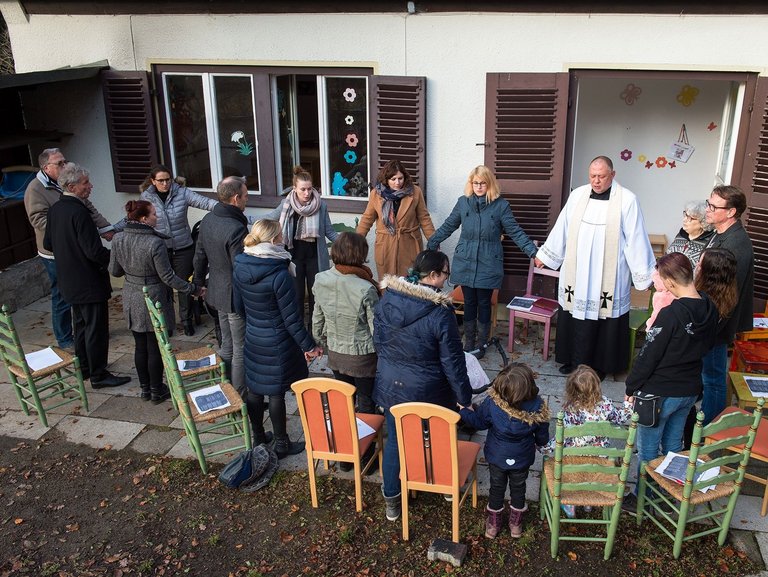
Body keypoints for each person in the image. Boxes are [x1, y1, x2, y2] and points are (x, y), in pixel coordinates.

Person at [373, 250, 472, 523]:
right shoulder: (441, 313)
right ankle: (446, 489)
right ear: (432, 276)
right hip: (430, 391)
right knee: (439, 436)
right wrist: (463, 397)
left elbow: (378, 343)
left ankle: (392, 500)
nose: (447, 282)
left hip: (392, 386)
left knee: (394, 440)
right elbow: (453, 361)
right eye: (446, 275)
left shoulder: (387, 299)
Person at [535, 156, 655, 378]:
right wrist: (546, 254)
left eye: (602, 176)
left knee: (603, 316)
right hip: (578, 272)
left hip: (608, 275)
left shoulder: (627, 200)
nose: (596, 181)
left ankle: (600, 365)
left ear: (613, 175)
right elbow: (563, 227)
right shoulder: (578, 195)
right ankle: (573, 361)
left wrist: (643, 275)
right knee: (575, 313)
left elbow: (636, 238)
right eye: (592, 176)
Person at [623, 252, 718, 511]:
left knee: (649, 450)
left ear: (671, 281)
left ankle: (645, 499)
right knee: (675, 446)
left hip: (659, 393)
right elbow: (709, 345)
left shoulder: (672, 313)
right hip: (689, 390)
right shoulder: (709, 306)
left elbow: (649, 355)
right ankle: (671, 495)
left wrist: (631, 386)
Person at [232, 219, 323, 458]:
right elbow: (292, 319)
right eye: (281, 235)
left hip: (253, 336)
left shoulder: (240, 264)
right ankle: (282, 444)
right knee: (275, 392)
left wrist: (256, 322)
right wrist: (309, 346)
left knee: (254, 389)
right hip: (277, 342)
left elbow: (238, 306)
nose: (284, 238)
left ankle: (259, 436)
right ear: (273, 241)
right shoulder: (279, 273)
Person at [427, 165, 537, 357]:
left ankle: (482, 343)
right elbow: (448, 225)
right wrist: (433, 241)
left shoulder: (501, 206)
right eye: (475, 183)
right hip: (466, 259)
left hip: (489, 261)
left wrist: (533, 252)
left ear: (489, 184)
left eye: (482, 183)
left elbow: (515, 231)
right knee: (469, 302)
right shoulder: (463, 203)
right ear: (471, 184)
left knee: (484, 303)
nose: (478, 186)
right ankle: (469, 341)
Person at [43, 163, 130, 389]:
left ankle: (84, 369)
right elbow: (94, 251)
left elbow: (48, 243)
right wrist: (119, 259)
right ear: (72, 186)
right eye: (85, 183)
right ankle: (99, 375)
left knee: (81, 327)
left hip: (69, 281)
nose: (90, 187)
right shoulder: (79, 212)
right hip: (88, 282)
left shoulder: (55, 209)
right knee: (96, 329)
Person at [110, 200, 204, 403]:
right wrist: (193, 289)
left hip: (131, 294)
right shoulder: (155, 243)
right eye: (153, 214)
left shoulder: (118, 239)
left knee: (140, 344)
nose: (157, 217)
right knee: (154, 345)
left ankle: (146, 389)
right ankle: (156, 390)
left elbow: (115, 271)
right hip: (153, 296)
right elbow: (168, 277)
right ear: (143, 219)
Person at [24, 148, 115, 350]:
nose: (64, 165)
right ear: (46, 168)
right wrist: (67, 233)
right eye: (60, 163)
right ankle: (65, 339)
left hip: (74, 248)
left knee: (80, 306)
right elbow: (38, 220)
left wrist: (108, 229)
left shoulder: (68, 188)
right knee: (63, 296)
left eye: (65, 161)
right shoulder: (35, 189)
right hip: (55, 253)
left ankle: (86, 341)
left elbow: (91, 210)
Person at [459, 363, 549, 539]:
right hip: (522, 457)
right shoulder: (538, 406)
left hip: (497, 456)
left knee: (497, 487)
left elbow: (479, 422)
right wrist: (540, 443)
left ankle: (493, 524)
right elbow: (542, 435)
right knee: (518, 487)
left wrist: (464, 411)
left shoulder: (493, 403)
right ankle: (515, 525)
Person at [542, 365, 632, 518]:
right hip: (599, 460)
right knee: (591, 465)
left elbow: (561, 438)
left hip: (573, 460)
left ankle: (570, 501)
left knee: (564, 463)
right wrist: (628, 404)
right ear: (597, 386)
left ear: (571, 389)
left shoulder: (569, 410)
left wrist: (546, 448)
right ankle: (588, 503)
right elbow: (622, 417)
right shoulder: (606, 405)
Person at [138, 165, 218, 336]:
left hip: (183, 248)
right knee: (163, 287)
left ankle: (187, 320)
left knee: (184, 285)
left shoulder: (181, 192)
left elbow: (204, 202)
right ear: (153, 181)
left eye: (168, 179)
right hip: (160, 249)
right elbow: (136, 217)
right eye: (161, 180)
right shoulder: (146, 197)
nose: (165, 183)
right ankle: (166, 323)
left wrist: (225, 208)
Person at [700, 185, 755, 425]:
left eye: (714, 206)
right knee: (708, 376)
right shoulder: (720, 233)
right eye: (708, 203)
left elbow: (726, 297)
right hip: (709, 317)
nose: (708, 210)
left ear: (731, 212)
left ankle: (710, 429)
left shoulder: (736, 246)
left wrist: (706, 326)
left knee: (713, 378)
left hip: (716, 323)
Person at [193, 176, 249, 395]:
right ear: (235, 198)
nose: (246, 200)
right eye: (245, 196)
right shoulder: (236, 228)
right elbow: (241, 268)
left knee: (226, 344)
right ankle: (239, 396)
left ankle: (224, 389)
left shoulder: (207, 220)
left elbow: (199, 257)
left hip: (215, 291)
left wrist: (198, 284)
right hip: (233, 296)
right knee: (240, 349)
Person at [312, 232, 379, 415]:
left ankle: (346, 437)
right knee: (366, 401)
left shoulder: (321, 279)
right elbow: (376, 329)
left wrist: (321, 341)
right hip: (363, 357)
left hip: (335, 352)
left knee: (344, 398)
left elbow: (317, 317)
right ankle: (368, 441)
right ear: (360, 255)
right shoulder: (366, 287)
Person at [264, 166, 338, 330]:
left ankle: (314, 329)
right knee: (295, 296)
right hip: (293, 258)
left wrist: (347, 244)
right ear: (295, 189)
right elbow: (268, 219)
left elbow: (329, 231)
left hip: (314, 257)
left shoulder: (321, 205)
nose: (307, 193)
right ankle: (297, 331)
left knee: (316, 295)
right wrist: (243, 220)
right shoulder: (286, 204)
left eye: (309, 189)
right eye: (303, 189)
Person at [356, 159, 435, 280]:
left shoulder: (415, 192)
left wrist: (434, 241)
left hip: (409, 244)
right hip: (385, 245)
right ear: (386, 180)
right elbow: (367, 218)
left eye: (400, 178)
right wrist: (356, 242)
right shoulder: (376, 194)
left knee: (410, 285)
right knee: (387, 285)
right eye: (393, 179)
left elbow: (424, 218)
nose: (397, 182)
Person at [695, 246, 741, 425]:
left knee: (713, 382)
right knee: (714, 381)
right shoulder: (725, 290)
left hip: (712, 344)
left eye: (701, 262)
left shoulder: (708, 298)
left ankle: (708, 426)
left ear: (710, 272)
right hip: (715, 342)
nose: (697, 265)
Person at [666, 200, 714, 267]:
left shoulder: (709, 243)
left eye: (689, 218)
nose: (684, 220)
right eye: (685, 215)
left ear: (703, 223)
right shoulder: (681, 235)